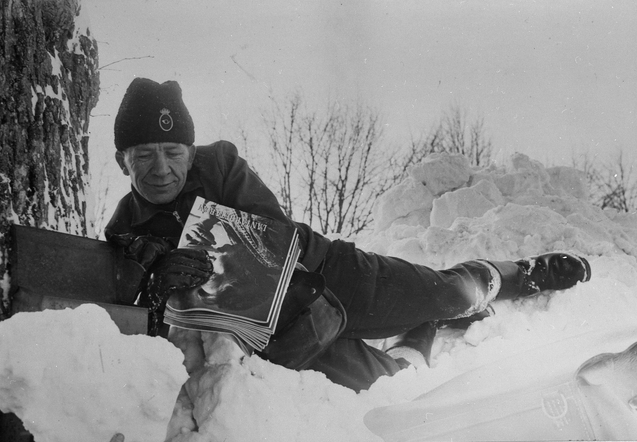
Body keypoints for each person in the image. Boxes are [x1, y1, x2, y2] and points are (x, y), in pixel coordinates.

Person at [105, 78, 592, 393]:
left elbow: (272, 234)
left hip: (326, 272)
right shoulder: (123, 231)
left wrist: (199, 256)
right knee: (389, 387)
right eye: (144, 155)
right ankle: (418, 336)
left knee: (445, 293)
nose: (161, 168)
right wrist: (156, 281)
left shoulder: (220, 164)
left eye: (173, 152)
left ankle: (517, 275)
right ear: (122, 163)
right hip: (286, 333)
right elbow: (141, 321)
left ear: (191, 152)